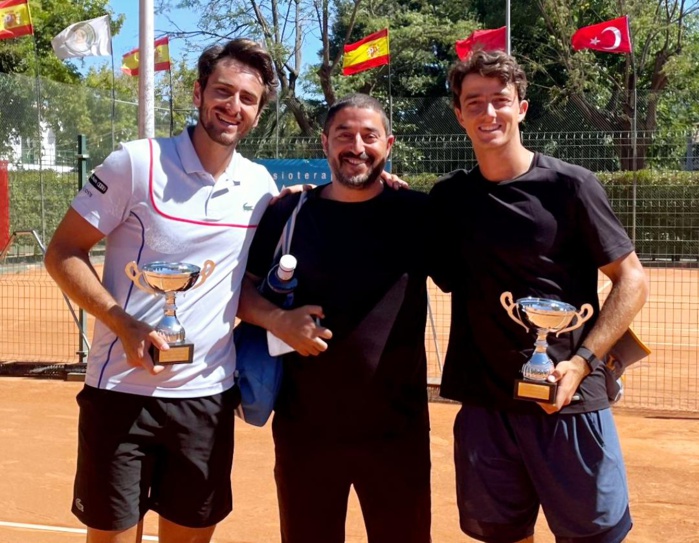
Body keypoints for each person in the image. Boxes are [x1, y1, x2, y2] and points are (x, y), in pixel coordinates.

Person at [44, 38, 280, 543]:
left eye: (247, 98)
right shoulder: (134, 163)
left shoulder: (260, 187)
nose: (232, 106)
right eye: (222, 91)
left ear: (258, 112)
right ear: (198, 93)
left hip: (208, 400)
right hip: (121, 394)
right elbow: (62, 251)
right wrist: (124, 324)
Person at [428, 50, 648, 543]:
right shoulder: (448, 201)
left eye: (500, 101)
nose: (489, 113)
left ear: (521, 109)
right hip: (486, 407)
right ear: (459, 113)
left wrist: (583, 362)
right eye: (474, 102)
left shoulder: (571, 186)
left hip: (566, 403)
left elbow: (631, 277)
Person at [237, 93, 432, 543]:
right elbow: (238, 292)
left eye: (370, 136)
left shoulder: (417, 214)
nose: (357, 146)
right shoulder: (287, 213)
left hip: (396, 432)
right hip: (305, 431)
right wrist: (277, 321)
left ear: (389, 144)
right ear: (325, 142)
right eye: (344, 135)